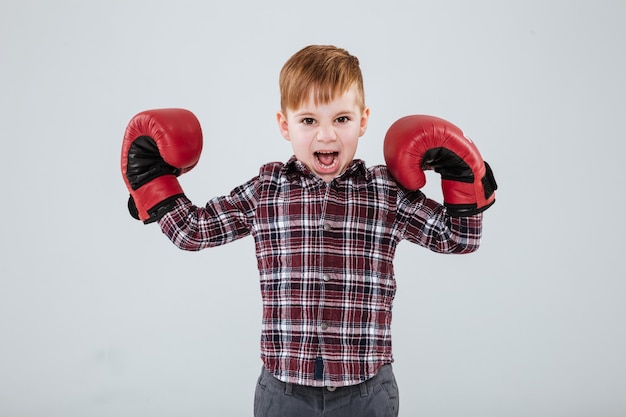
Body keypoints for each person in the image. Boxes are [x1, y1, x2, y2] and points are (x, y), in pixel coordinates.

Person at [120, 45, 497, 417]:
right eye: (309, 120)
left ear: (364, 120)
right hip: (284, 390)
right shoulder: (267, 189)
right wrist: (153, 181)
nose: (327, 136)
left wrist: (464, 175)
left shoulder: (386, 192)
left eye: (342, 119)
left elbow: (458, 238)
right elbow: (194, 231)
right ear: (285, 124)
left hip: (366, 390)